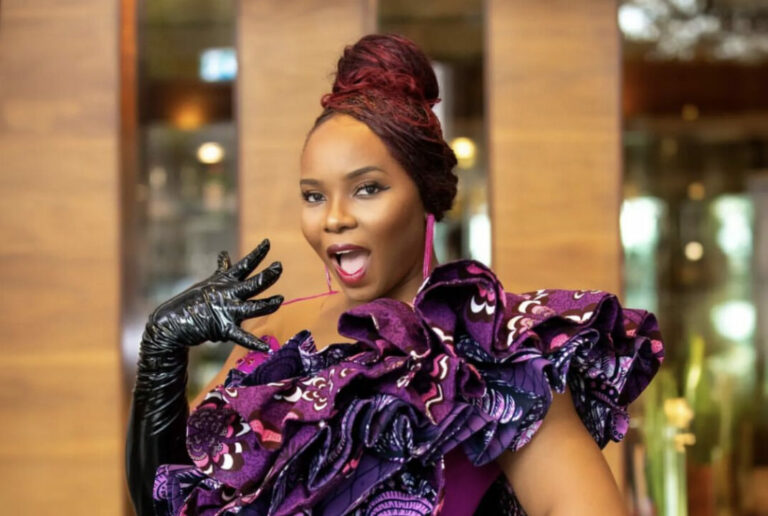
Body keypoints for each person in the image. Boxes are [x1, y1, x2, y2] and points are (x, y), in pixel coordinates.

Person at [126, 34, 664, 515]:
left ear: (426, 194)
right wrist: (162, 355)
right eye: (314, 196)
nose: (334, 218)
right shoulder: (274, 341)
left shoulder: (492, 348)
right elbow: (168, 503)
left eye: (367, 189)